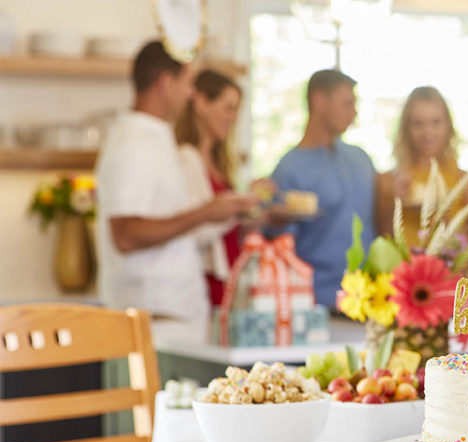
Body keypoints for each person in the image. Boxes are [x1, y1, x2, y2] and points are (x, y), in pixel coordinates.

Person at [95, 41, 258, 342]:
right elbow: (126, 234)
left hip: (171, 316)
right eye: (188, 83)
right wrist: (206, 212)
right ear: (166, 83)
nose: (191, 93)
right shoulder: (134, 143)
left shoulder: (156, 138)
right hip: (153, 321)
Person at [270, 69, 376, 307]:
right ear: (319, 101)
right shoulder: (289, 169)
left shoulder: (361, 159)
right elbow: (279, 246)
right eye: (347, 103)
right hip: (317, 302)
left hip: (370, 299)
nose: (354, 112)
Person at [175, 69, 272, 307]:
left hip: (229, 277)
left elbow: (224, 226)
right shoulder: (185, 159)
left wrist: (254, 212)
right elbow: (195, 228)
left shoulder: (219, 163)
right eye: (228, 108)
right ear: (201, 103)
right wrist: (237, 206)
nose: (234, 117)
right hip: (204, 283)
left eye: (236, 109)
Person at [376, 86, 468, 250]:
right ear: (406, 128)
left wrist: (446, 225)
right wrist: (394, 201)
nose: (428, 132)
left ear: (448, 125)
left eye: (436, 122)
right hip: (402, 274)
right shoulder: (388, 180)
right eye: (418, 124)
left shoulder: (466, 182)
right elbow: (381, 240)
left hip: (450, 275)